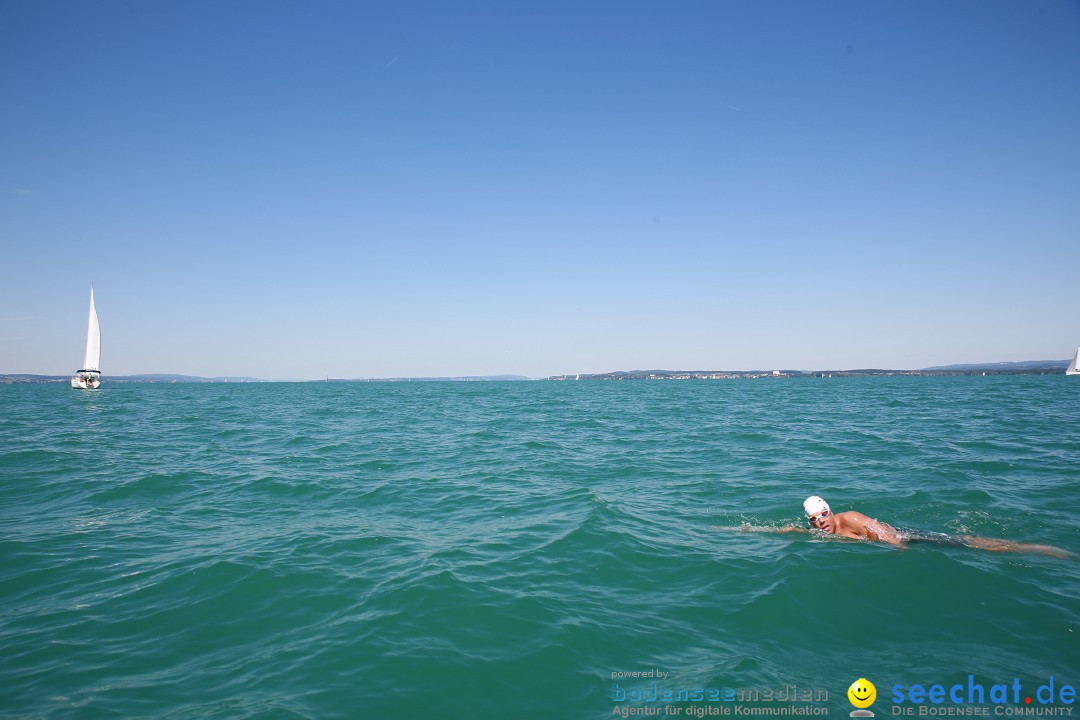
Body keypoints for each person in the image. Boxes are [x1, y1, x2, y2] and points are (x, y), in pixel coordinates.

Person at [725, 496, 1068, 557]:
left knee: (967, 543)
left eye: (822, 517)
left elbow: (887, 536)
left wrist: (897, 551)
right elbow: (790, 532)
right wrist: (747, 531)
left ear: (830, 511)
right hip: (889, 544)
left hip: (906, 537)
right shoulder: (818, 531)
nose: (819, 524)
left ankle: (1037, 548)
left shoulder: (852, 518)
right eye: (813, 521)